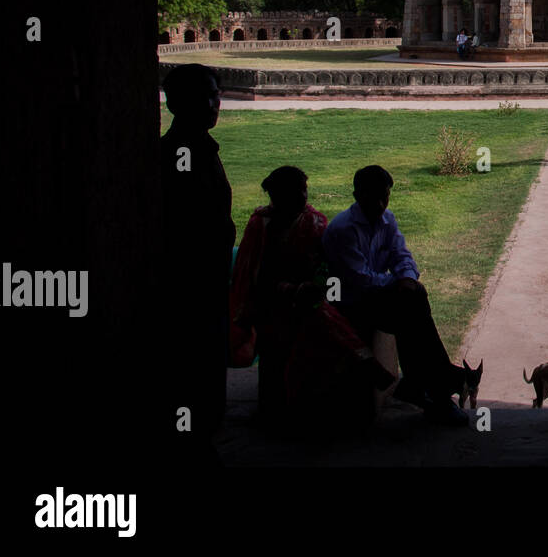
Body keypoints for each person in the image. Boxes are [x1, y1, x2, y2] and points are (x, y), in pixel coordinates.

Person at [229, 166, 394, 426]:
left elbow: (325, 266)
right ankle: (363, 362)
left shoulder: (313, 223)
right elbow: (252, 275)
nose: (303, 197)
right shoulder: (261, 227)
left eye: (304, 190)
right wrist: (290, 290)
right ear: (276, 197)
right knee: (318, 317)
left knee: (315, 311)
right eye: (295, 193)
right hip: (271, 300)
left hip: (307, 295)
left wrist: (312, 286)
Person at [321, 165, 469, 425]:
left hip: (378, 298)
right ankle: (437, 387)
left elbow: (401, 254)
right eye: (373, 196)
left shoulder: (386, 219)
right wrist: (398, 282)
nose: (380, 203)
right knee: (413, 307)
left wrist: (407, 278)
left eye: (384, 196)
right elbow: (360, 279)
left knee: (413, 306)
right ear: (357, 195)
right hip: (351, 303)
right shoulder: (344, 229)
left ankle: (425, 387)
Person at [160, 63, 236, 441]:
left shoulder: (200, 147)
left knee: (206, 368)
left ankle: (203, 436)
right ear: (176, 104)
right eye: (202, 97)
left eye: (215, 95)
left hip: (207, 280)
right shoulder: (181, 153)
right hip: (189, 284)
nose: (212, 104)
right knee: (192, 371)